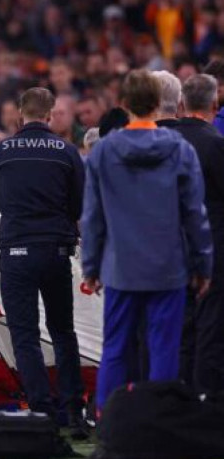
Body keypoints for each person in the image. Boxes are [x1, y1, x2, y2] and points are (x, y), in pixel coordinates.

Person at [81, 70, 213, 413]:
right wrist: (203, 265)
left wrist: (91, 266)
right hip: (168, 266)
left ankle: (108, 422)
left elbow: (93, 216)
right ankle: (159, 422)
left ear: (125, 105)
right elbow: (194, 214)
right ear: (159, 103)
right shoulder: (179, 149)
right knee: (164, 348)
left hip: (120, 266)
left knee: (116, 347)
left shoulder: (104, 151)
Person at [0, 88, 88, 440]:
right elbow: (79, 206)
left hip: (16, 251)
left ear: (19, 114)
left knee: (25, 336)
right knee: (63, 331)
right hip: (56, 251)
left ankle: (43, 415)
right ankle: (74, 412)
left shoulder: (0, 152)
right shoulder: (68, 152)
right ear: (50, 115)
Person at [169, 74, 224, 394]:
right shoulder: (216, 144)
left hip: (168, 246)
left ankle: (178, 395)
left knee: (178, 326)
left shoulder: (164, 142)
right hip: (213, 246)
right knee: (211, 326)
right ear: (214, 103)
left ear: (181, 103)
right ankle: (206, 400)